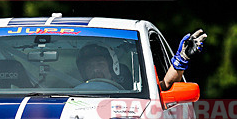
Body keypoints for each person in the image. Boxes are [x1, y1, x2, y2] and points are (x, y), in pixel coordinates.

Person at [74, 29, 207, 90]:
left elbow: (166, 84)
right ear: (82, 71)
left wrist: (182, 59)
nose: (95, 68)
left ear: (113, 65)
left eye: (99, 63)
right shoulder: (70, 93)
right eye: (89, 66)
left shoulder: (134, 91)